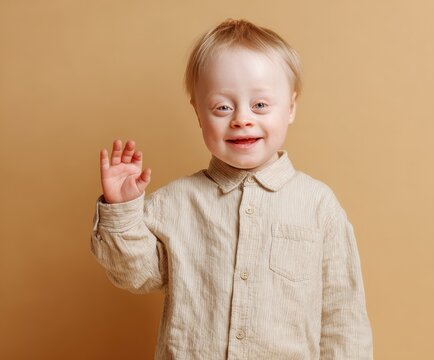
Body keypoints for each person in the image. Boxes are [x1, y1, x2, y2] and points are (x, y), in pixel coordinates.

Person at [90, 18, 373, 359]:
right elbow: (134, 275)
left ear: (291, 108)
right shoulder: (175, 203)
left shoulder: (317, 205)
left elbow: (343, 314)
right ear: (198, 112)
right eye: (223, 107)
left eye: (260, 105)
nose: (241, 118)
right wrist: (122, 209)